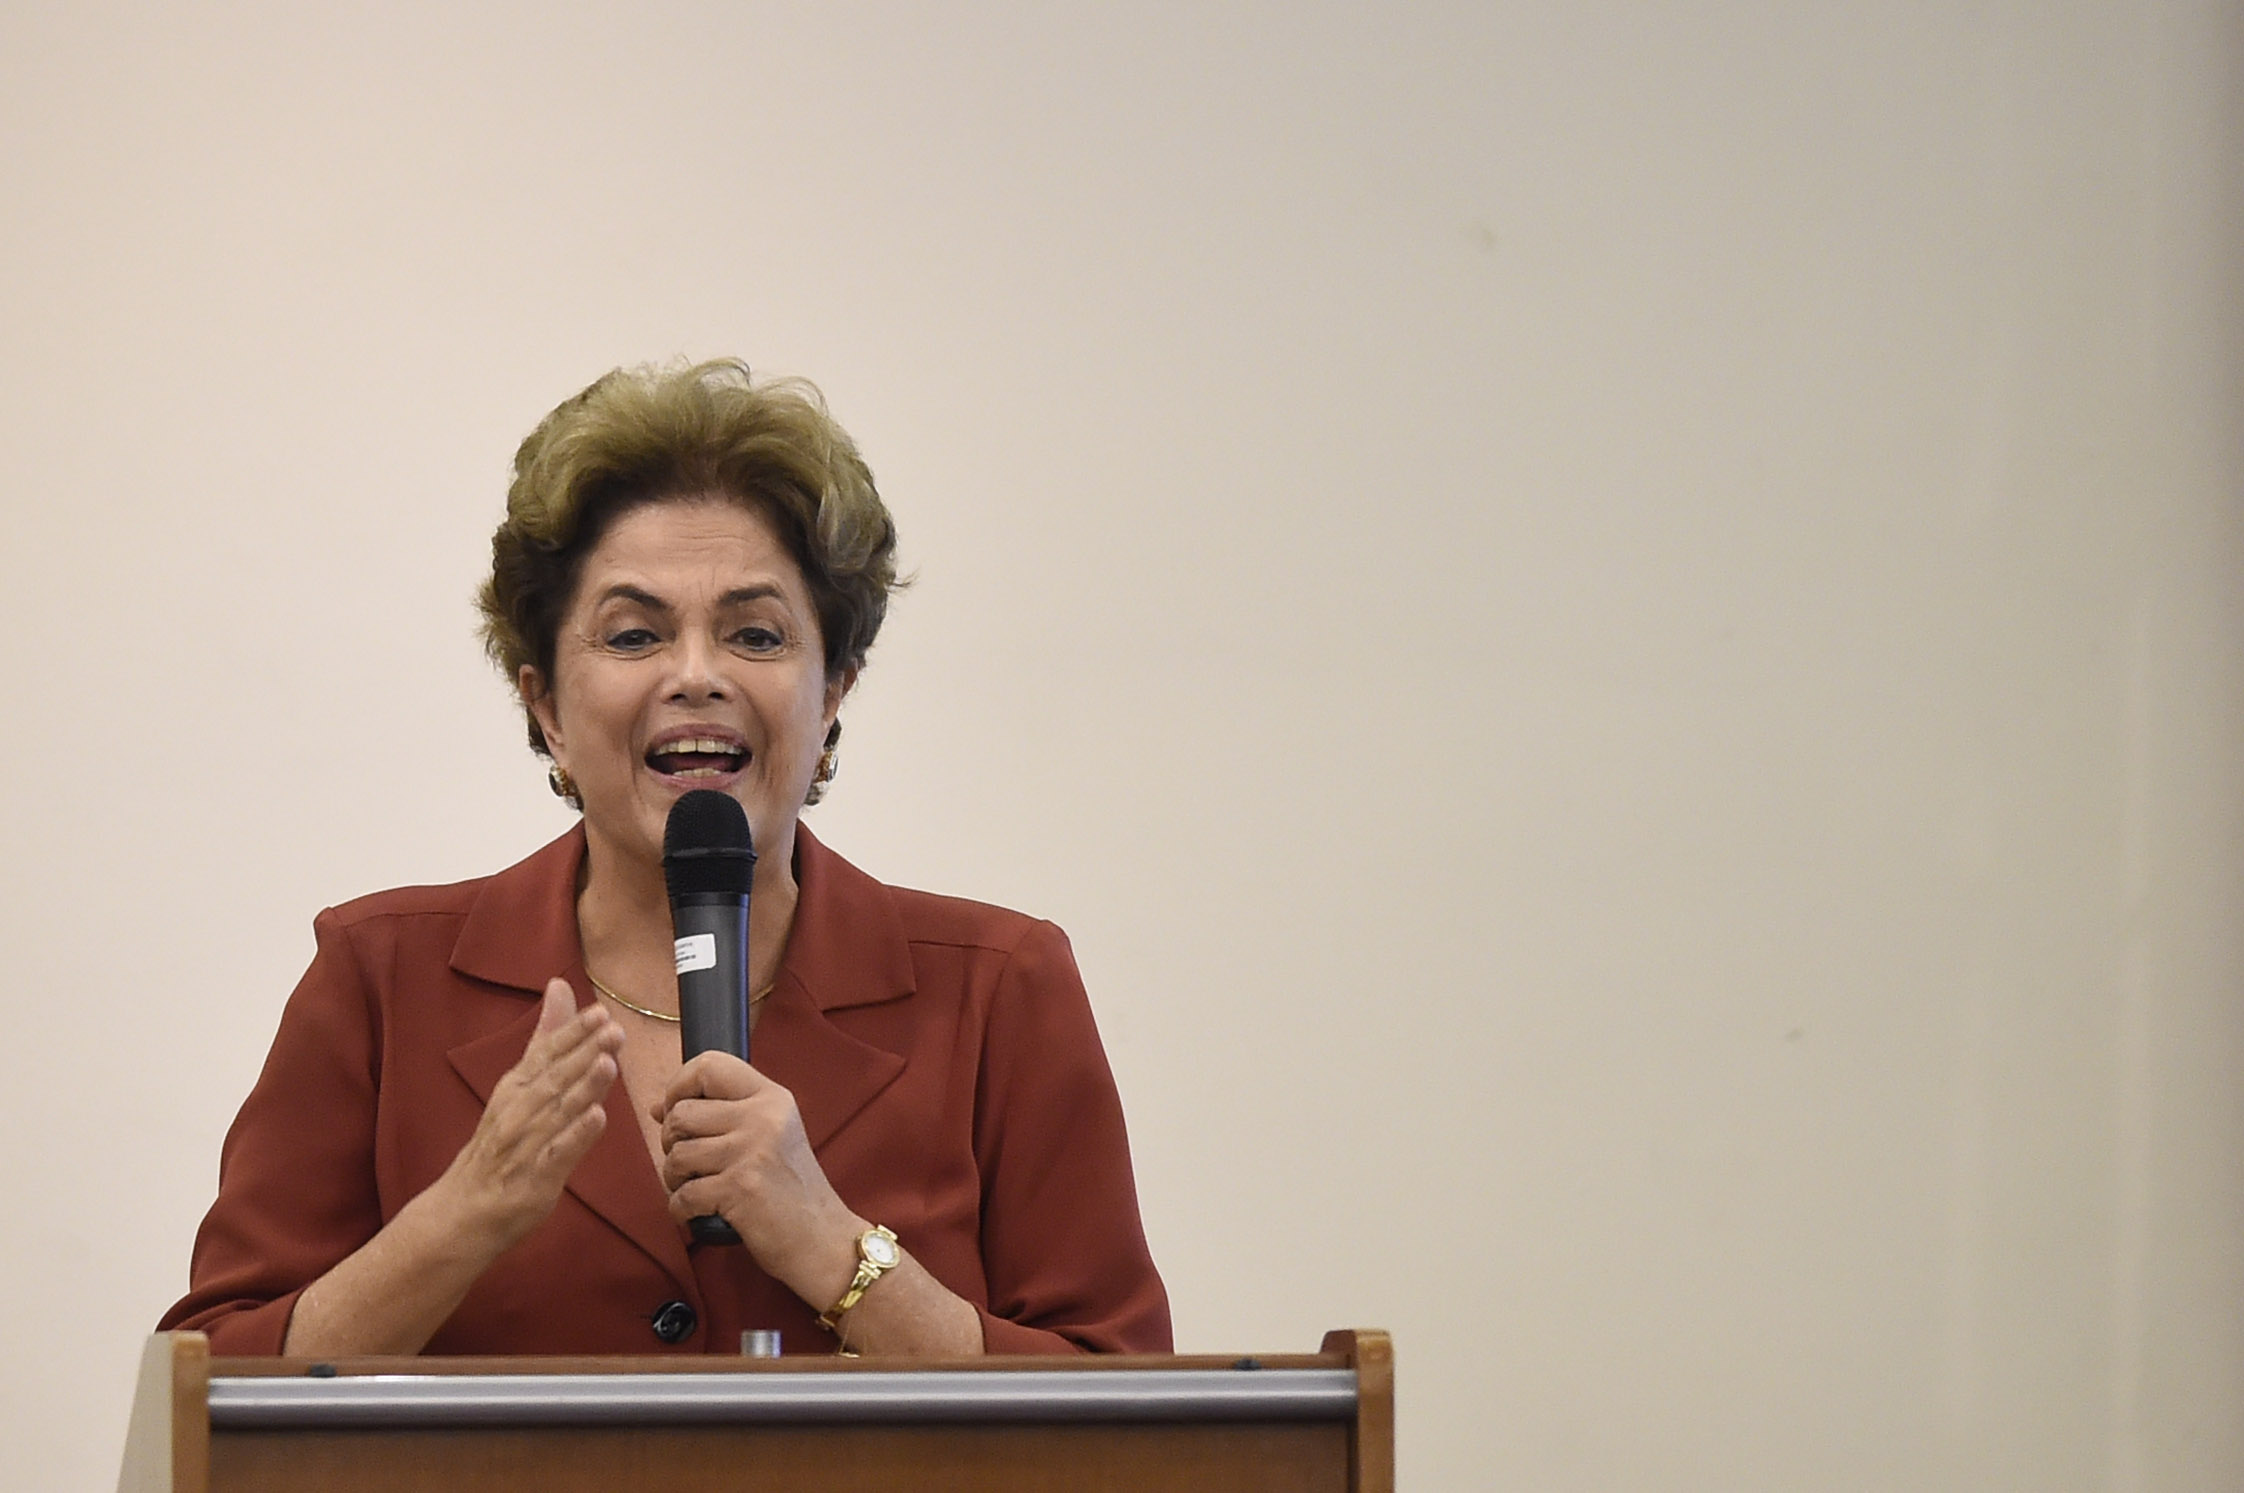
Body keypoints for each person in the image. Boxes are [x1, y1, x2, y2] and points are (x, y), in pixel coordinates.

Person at [160, 360, 1171, 1358]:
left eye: (756, 635)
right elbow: (210, 1390)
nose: (696, 674)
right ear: (546, 707)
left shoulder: (999, 988)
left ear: (833, 693)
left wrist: (838, 1251)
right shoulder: (381, 979)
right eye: (635, 634)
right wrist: (463, 1214)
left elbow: (1131, 1417)